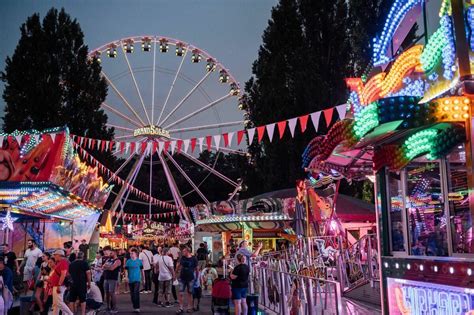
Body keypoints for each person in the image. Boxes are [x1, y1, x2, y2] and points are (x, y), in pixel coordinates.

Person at [175, 246, 198, 314]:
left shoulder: (194, 259)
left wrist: (197, 278)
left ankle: (189, 307)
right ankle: (181, 308)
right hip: (182, 278)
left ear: (188, 251)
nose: (183, 252)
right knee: (181, 293)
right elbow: (179, 265)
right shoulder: (182, 258)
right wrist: (176, 273)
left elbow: (197, 269)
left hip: (190, 278)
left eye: (184, 251)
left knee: (189, 293)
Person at [50, 250, 72, 315]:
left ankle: (70, 314)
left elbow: (63, 274)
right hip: (57, 285)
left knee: (59, 303)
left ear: (59, 255)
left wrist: (59, 285)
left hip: (59, 285)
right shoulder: (60, 262)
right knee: (55, 304)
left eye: (55, 255)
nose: (54, 257)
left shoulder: (63, 262)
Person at [125, 248, 144, 313]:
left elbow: (142, 270)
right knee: (132, 294)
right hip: (130, 279)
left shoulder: (139, 261)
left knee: (136, 293)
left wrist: (143, 279)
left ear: (136, 254)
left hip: (137, 279)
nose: (131, 254)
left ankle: (137, 308)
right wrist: (126, 277)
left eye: (132, 253)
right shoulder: (128, 261)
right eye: (130, 253)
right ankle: (134, 306)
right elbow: (126, 270)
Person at [102, 249, 121, 313]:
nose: (109, 254)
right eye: (110, 253)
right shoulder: (108, 259)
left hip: (112, 279)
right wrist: (108, 267)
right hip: (106, 278)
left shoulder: (118, 260)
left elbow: (112, 268)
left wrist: (107, 267)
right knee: (106, 293)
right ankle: (108, 307)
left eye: (111, 253)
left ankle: (114, 308)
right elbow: (103, 267)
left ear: (115, 253)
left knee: (112, 293)